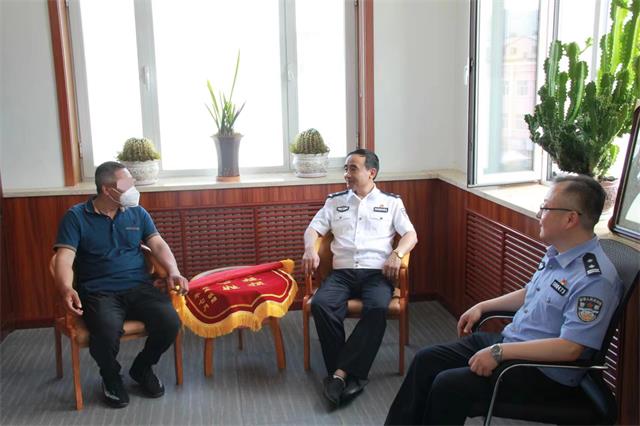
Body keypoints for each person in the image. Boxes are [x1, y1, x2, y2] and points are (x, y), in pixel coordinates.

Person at [385, 175, 623, 425]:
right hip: (513, 344)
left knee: (448, 385)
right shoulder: (558, 253)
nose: (538, 214)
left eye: (545, 208)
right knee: (426, 360)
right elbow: (530, 292)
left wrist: (499, 352)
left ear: (570, 219)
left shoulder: (594, 280)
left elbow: (570, 348)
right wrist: (483, 306)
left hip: (542, 372)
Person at [53, 161, 189, 408]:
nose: (133, 188)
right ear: (107, 190)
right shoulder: (76, 217)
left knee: (170, 322)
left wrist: (174, 271)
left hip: (138, 286)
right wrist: (66, 287)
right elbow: (64, 258)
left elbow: (158, 244)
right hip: (99, 291)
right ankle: (111, 376)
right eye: (127, 183)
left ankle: (142, 368)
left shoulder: (137, 212)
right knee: (105, 332)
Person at [302, 149, 418, 406]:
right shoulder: (334, 201)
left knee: (376, 308)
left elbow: (411, 235)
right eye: (345, 169)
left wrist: (397, 254)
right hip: (341, 273)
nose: (347, 174)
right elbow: (313, 229)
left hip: (377, 274)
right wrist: (310, 248)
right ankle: (350, 374)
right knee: (321, 304)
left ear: (371, 172)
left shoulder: (391, 203)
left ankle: (338, 375)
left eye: (353, 168)